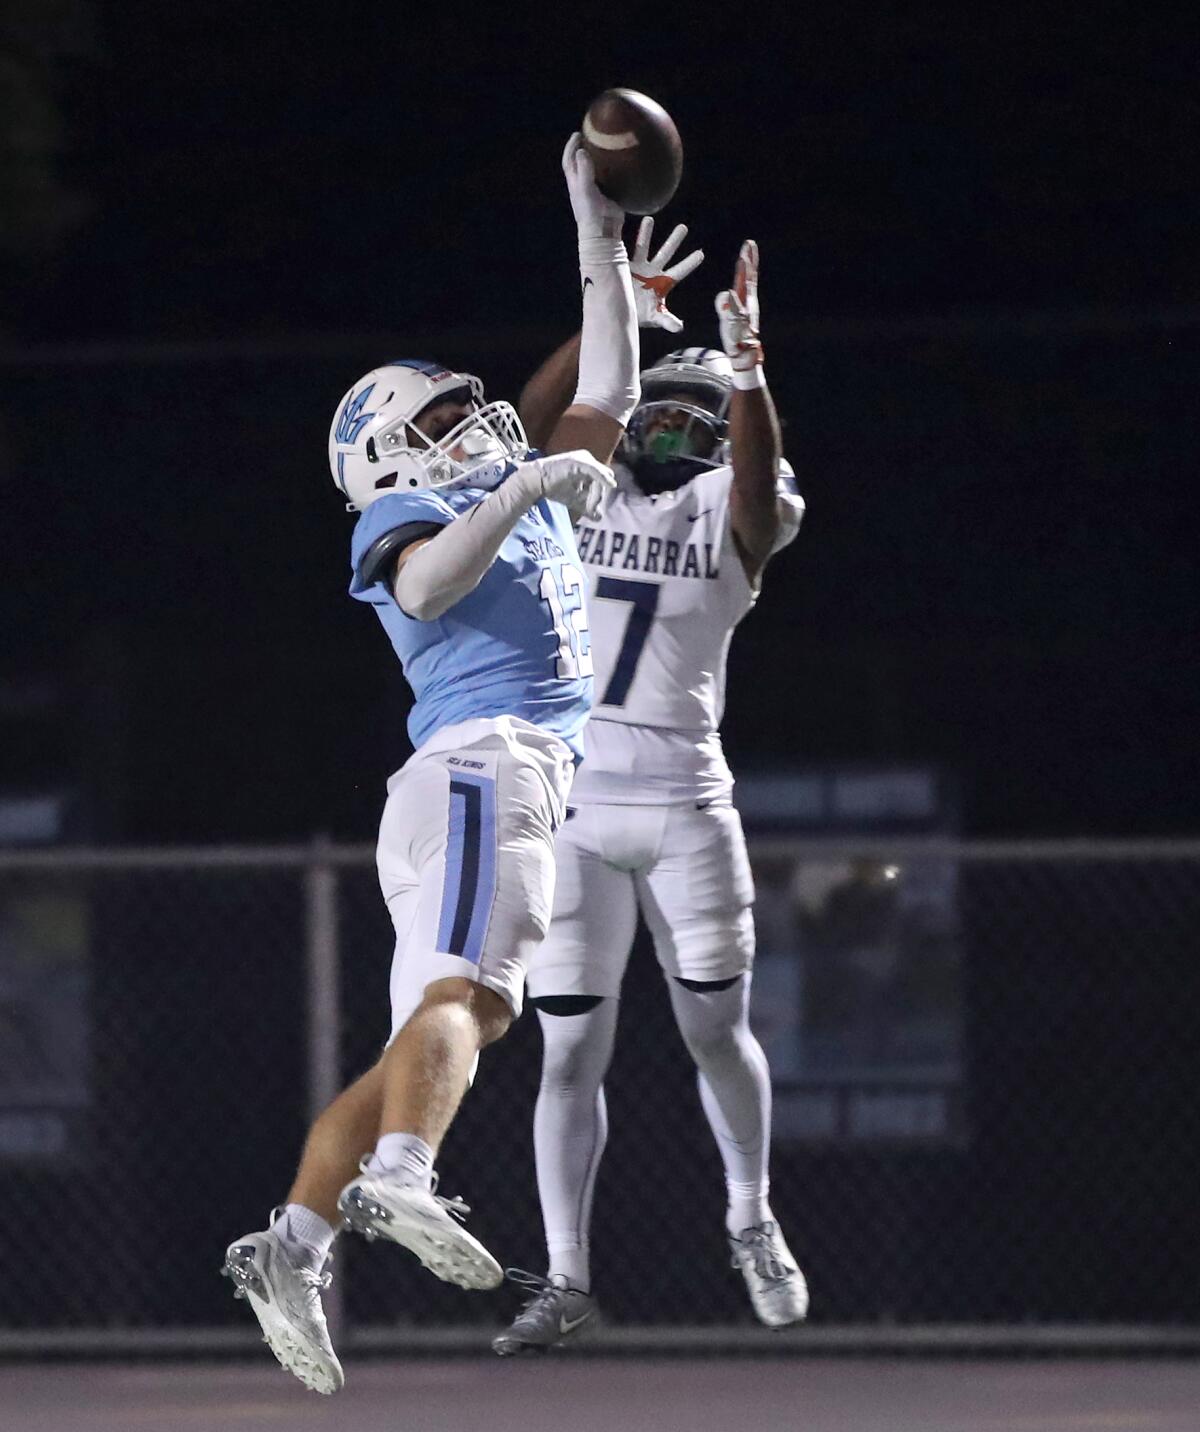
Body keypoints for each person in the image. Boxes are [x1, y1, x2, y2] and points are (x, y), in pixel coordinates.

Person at [221, 134, 639, 1394]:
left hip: (487, 786)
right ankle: (398, 1178)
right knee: (469, 1007)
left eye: (473, 407)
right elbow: (427, 576)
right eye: (445, 418)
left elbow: (609, 382)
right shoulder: (406, 515)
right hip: (480, 768)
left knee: (443, 1019)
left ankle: (291, 1240)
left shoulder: (525, 481)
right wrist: (515, 496)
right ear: (395, 453)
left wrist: (598, 234)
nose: (482, 423)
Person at [491, 238, 810, 1355]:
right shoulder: (585, 498)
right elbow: (537, 426)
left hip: (684, 804)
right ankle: (569, 1273)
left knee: (714, 1028)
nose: (674, 426)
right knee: (568, 1050)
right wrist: (615, 314)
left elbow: (762, 498)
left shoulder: (733, 510)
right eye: (659, 407)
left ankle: (751, 1212)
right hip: (577, 811)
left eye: (698, 413)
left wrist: (750, 372)